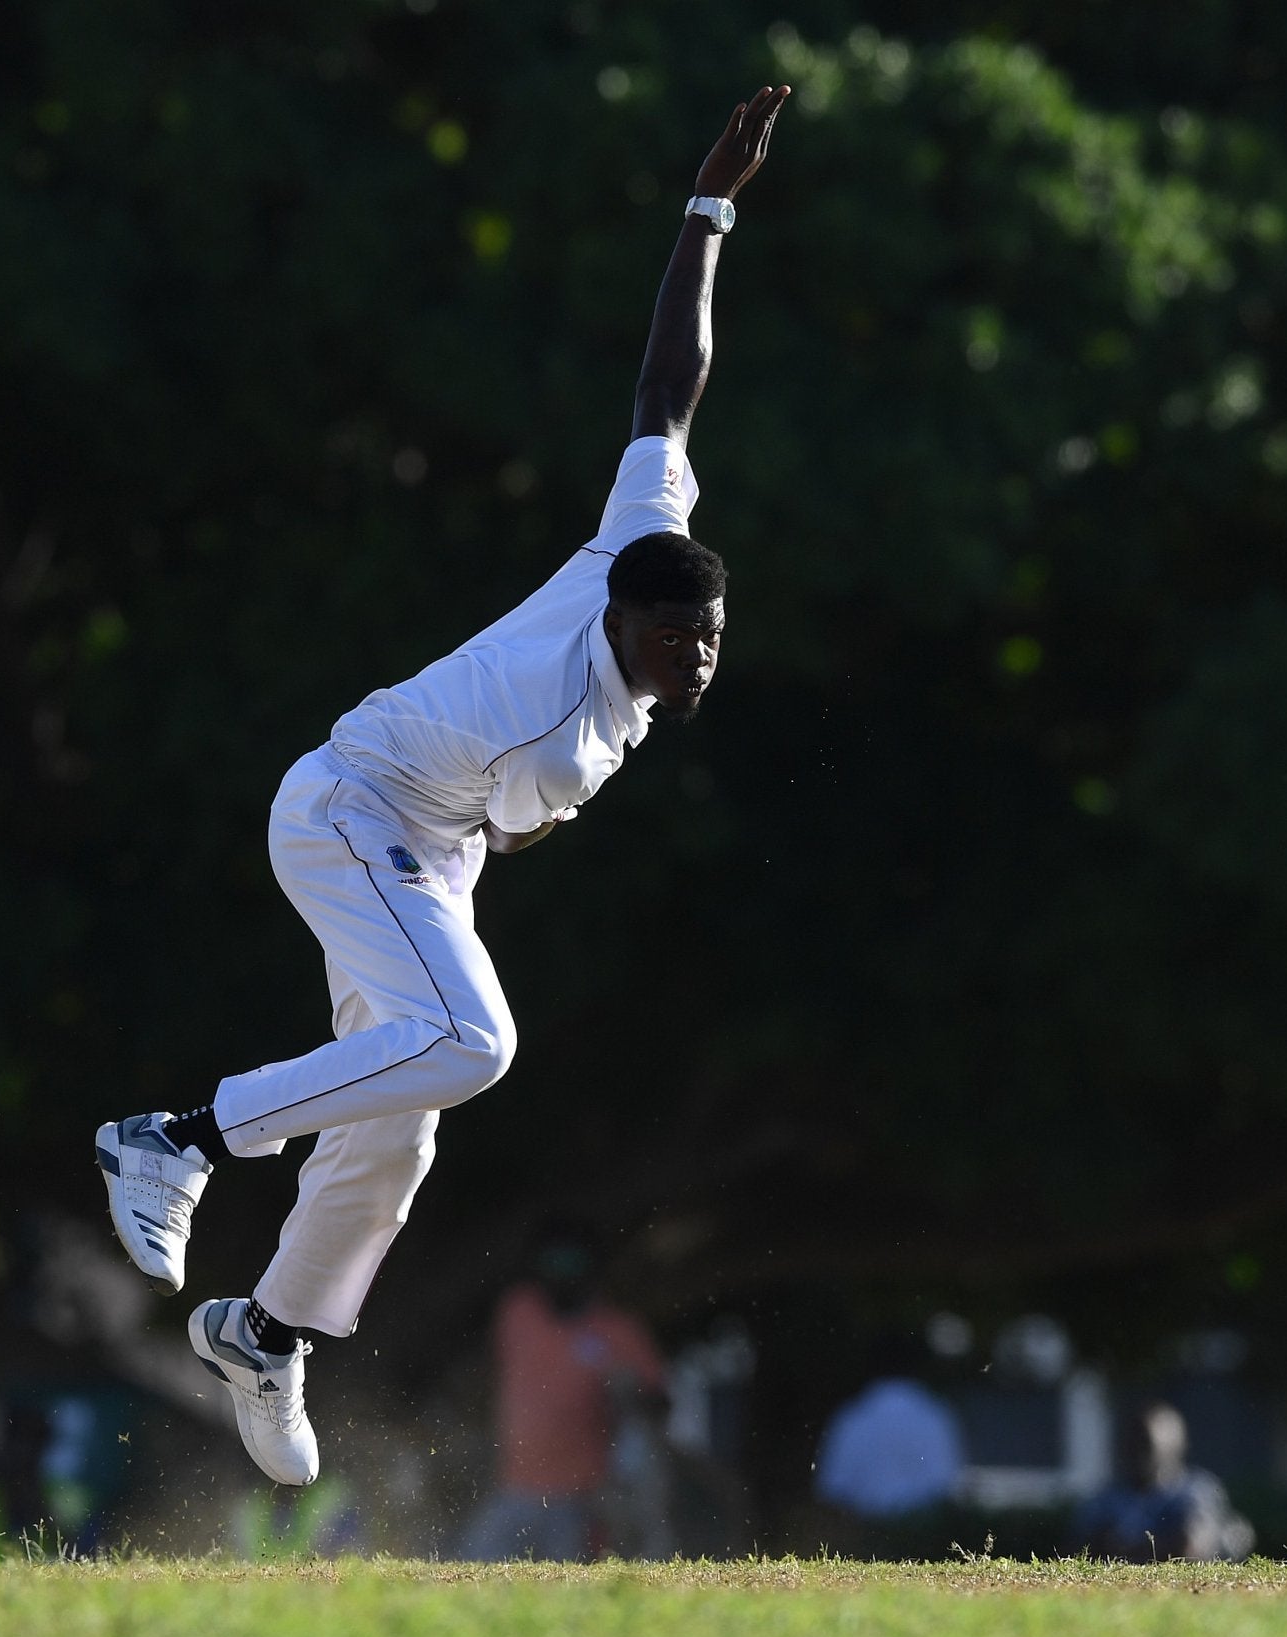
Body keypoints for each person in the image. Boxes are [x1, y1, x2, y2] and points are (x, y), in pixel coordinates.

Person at [93, 85, 792, 1485]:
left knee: (396, 1132)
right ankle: (172, 1137)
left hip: (425, 842)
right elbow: (517, 826)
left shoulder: (639, 539)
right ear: (620, 625)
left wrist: (707, 208)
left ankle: (267, 1327)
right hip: (350, 819)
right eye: (673, 645)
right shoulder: (552, 724)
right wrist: (499, 835)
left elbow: (669, 387)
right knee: (474, 1045)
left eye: (707, 643)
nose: (693, 664)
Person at [458, 1221, 669, 1560]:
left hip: (579, 1498)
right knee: (468, 1572)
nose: (560, 1277)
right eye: (551, 1265)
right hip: (513, 1487)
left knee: (565, 1585)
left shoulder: (618, 1333)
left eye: (570, 1265)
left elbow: (659, 1406)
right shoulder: (518, 1312)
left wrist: (630, 1392)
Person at [1070, 1401, 1254, 1562]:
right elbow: (1083, 1549)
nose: (1137, 1453)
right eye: (1133, 1444)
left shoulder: (1197, 1489)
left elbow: (1192, 1548)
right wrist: (1162, 1544)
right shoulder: (1108, 1496)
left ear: (1176, 1446)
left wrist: (1122, 1547)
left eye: (1146, 1446)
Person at [811, 1339, 966, 1520]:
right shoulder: (936, 1415)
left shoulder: (852, 1417)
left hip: (863, 1535)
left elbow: (832, 1491)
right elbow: (950, 1486)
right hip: (924, 1535)